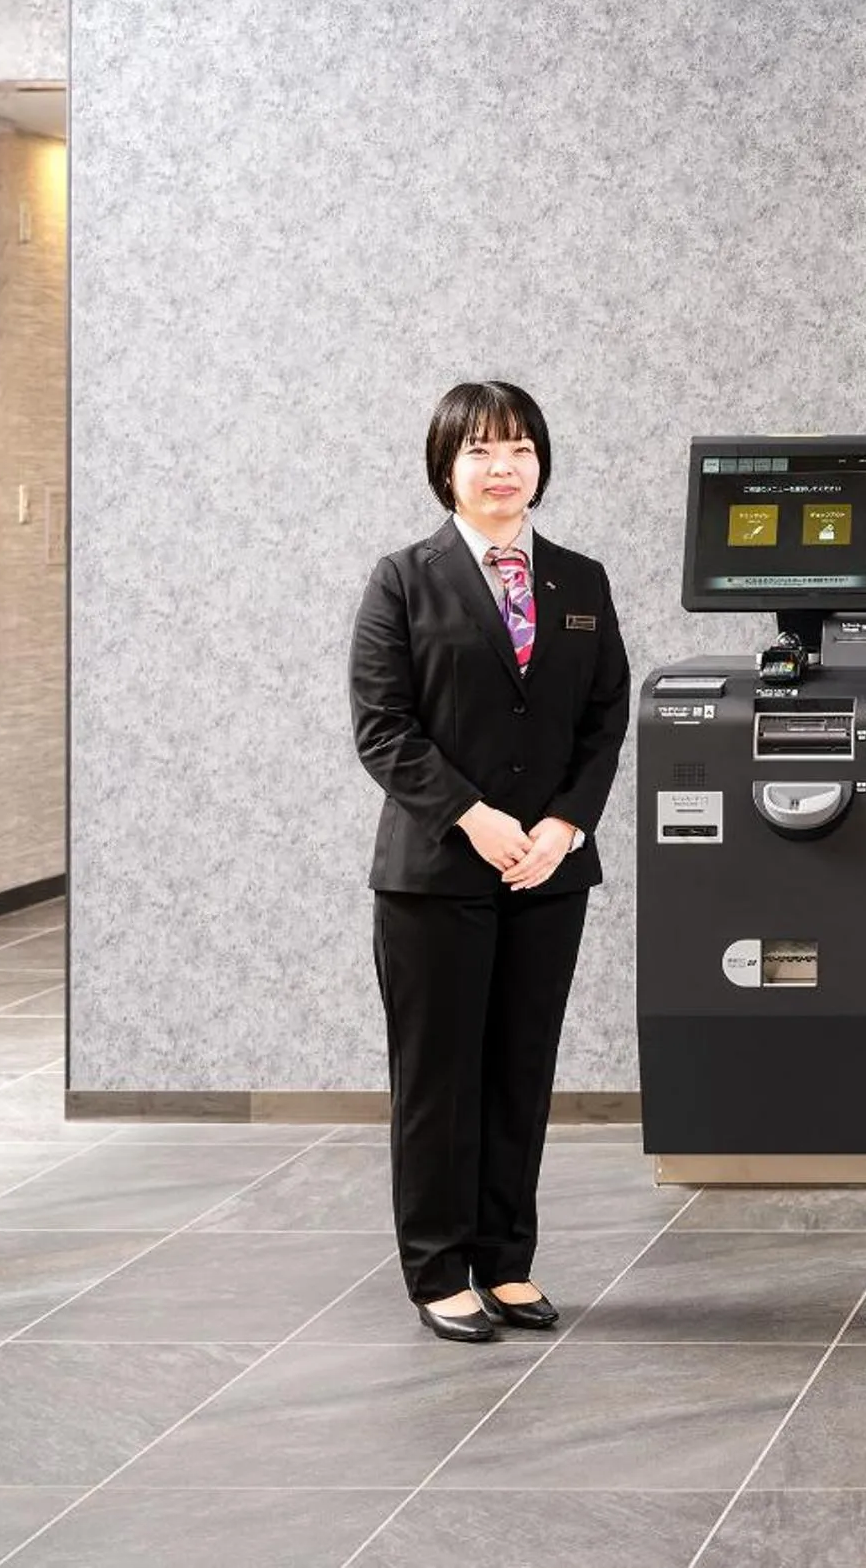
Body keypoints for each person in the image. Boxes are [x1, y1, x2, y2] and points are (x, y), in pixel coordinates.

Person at [349, 383, 629, 1342]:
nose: (500, 467)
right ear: (446, 470)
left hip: (547, 871)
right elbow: (383, 729)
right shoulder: (403, 579)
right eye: (478, 452)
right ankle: (437, 1270)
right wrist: (473, 816)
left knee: (520, 1069)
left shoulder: (580, 581)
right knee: (439, 1078)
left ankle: (506, 1262)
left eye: (517, 448)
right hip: (435, 872)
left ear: (540, 464)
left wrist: (564, 826)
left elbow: (604, 717)